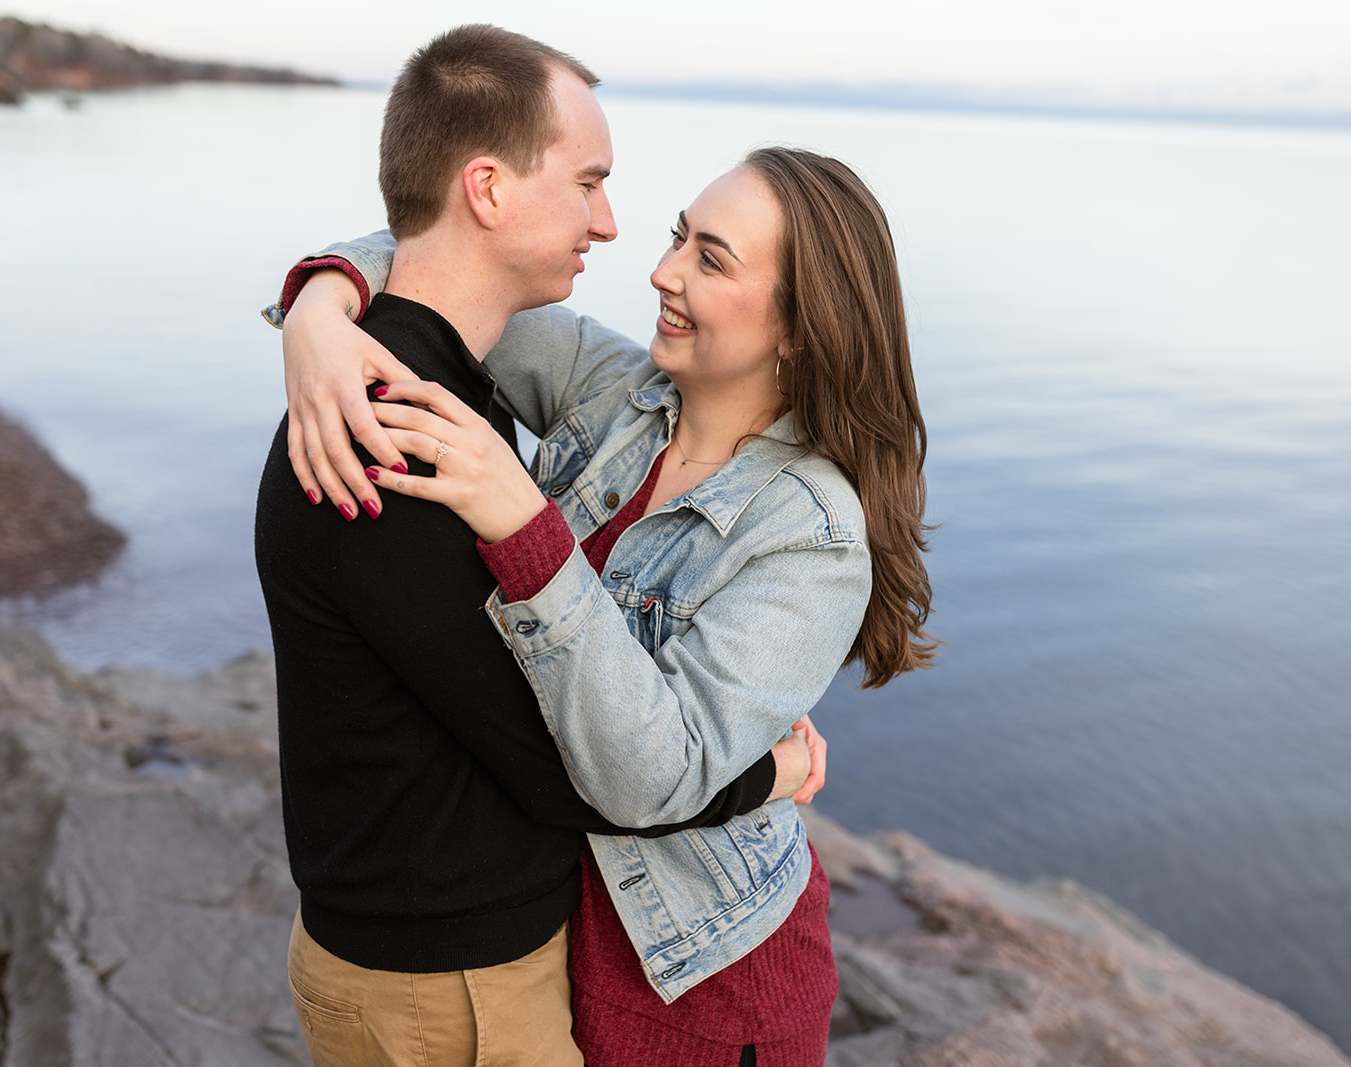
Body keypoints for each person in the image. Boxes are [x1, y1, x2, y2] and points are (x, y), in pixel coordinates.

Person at [274, 147, 936, 1065]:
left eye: (711, 258)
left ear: (798, 326)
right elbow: (445, 266)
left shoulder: (812, 535)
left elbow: (650, 777)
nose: (662, 271)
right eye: (677, 238)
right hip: (551, 936)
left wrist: (519, 516)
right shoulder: (615, 390)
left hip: (703, 975)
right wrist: (318, 308)